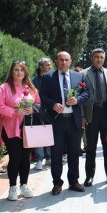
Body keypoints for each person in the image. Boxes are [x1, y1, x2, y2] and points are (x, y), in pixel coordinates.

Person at [39, 51, 89, 195]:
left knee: (74, 153)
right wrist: (53, 104)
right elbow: (42, 96)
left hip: (74, 121)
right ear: (56, 61)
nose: (64, 62)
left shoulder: (78, 76)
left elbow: (86, 93)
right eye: (61, 60)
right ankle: (57, 183)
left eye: (66, 60)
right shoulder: (48, 77)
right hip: (57, 121)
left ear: (71, 61)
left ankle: (73, 181)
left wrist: (78, 100)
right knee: (56, 154)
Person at [0, 60, 40, 200]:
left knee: (26, 158)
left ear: (25, 72)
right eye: (16, 70)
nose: (19, 72)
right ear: (11, 72)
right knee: (15, 158)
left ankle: (24, 185)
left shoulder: (31, 88)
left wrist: (33, 109)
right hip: (10, 129)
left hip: (27, 129)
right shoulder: (4, 88)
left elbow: (38, 103)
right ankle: (13, 187)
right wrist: (14, 111)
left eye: (21, 69)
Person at [81, 49, 107, 187]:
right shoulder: (83, 74)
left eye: (101, 57)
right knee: (90, 147)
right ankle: (89, 176)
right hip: (91, 115)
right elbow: (80, 96)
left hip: (106, 115)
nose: (99, 59)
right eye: (96, 57)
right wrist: (83, 116)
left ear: (104, 58)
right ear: (92, 58)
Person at [32, 57, 53, 170]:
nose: (50, 67)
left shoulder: (53, 78)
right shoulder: (34, 81)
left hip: (51, 110)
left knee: (49, 133)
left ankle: (49, 157)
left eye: (50, 64)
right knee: (38, 134)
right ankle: (39, 159)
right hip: (38, 111)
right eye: (47, 65)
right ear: (41, 67)